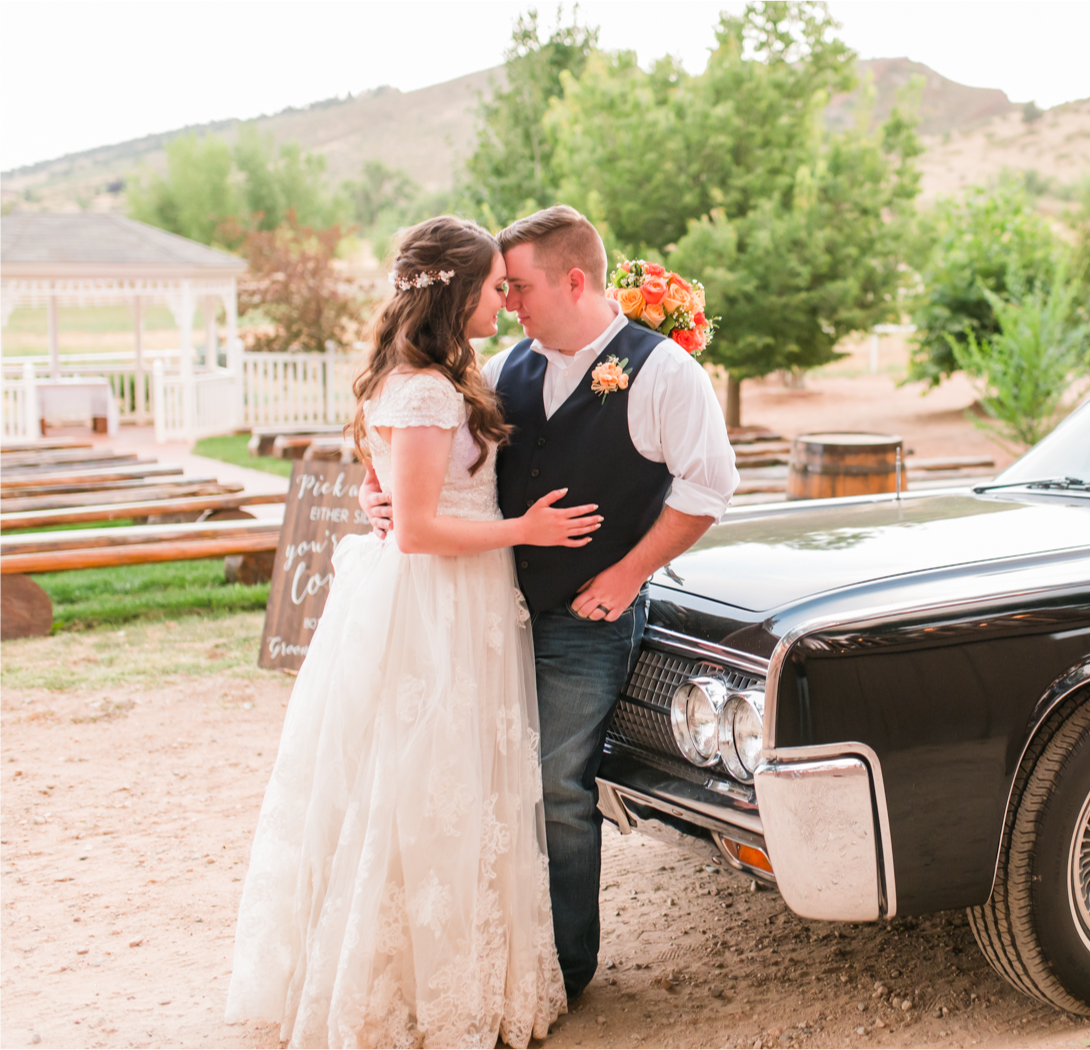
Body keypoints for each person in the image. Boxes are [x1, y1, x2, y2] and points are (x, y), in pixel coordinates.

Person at [226, 216, 598, 1048]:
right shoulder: (426, 388)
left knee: (441, 783)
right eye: (493, 286)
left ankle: (440, 973)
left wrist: (377, 498)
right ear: (458, 292)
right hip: (440, 599)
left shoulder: (436, 374)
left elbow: (385, 492)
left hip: (454, 597)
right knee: (424, 781)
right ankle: (413, 991)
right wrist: (523, 532)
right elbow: (421, 529)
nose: (504, 298)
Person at [361, 205, 739, 1001]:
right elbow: (430, 461)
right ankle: (499, 959)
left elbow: (710, 486)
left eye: (520, 287)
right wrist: (385, 499)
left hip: (581, 620)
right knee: (487, 782)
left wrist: (631, 572)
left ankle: (562, 971)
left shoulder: (664, 371)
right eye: (501, 290)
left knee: (556, 788)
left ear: (574, 280)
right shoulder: (504, 368)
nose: (511, 305)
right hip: (486, 618)